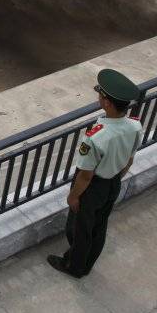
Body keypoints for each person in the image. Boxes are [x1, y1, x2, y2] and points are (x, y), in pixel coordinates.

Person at [47, 68, 143, 278]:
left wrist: (74, 196)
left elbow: (85, 175)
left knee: (79, 230)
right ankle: (87, 263)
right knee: (100, 226)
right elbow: (129, 159)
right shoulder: (135, 126)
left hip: (92, 188)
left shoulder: (96, 137)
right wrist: (114, 178)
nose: (99, 98)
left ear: (107, 102)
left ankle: (74, 266)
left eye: (101, 95)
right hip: (113, 183)